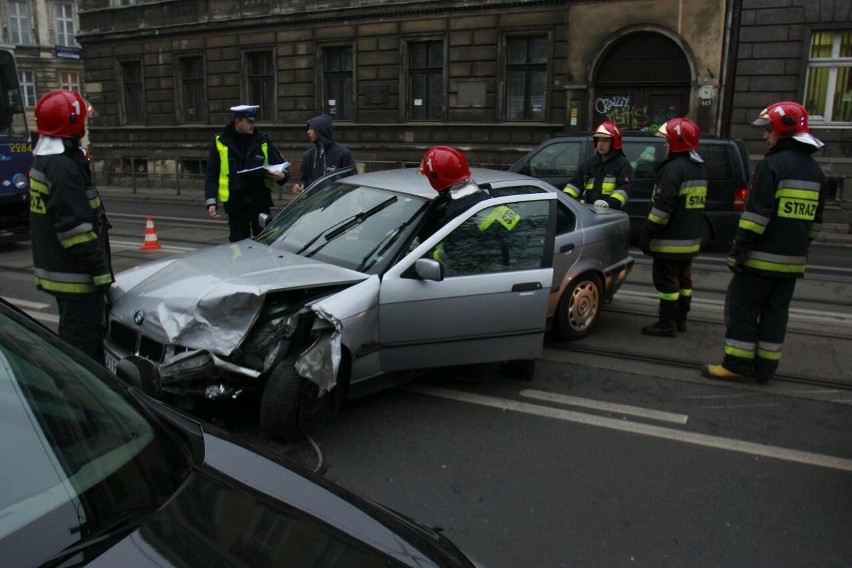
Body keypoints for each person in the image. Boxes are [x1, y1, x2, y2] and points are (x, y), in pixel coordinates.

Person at [704, 101, 827, 383]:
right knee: (776, 314)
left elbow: (755, 218)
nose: (764, 136)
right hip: (793, 263)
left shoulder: (772, 166)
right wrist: (798, 247)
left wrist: (738, 250)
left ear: (783, 131)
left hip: (760, 260)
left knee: (743, 310)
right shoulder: (816, 172)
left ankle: (735, 365)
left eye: (769, 129)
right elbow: (816, 224)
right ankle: (765, 369)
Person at [29, 89, 113, 363]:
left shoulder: (49, 159)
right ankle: (81, 402)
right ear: (71, 124)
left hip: (63, 274)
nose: (85, 126)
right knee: (82, 352)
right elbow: (74, 229)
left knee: (74, 340)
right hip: (77, 279)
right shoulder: (62, 166)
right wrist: (100, 273)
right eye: (83, 120)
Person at [639, 117, 708, 337]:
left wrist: (648, 232)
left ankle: (666, 323)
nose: (665, 145)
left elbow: (662, 209)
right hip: (689, 240)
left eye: (667, 141)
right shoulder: (698, 169)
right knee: (684, 280)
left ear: (678, 142)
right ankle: (681, 319)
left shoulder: (673, 170)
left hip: (669, 241)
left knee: (666, 281)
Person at [204, 104, 289, 242]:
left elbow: (281, 165)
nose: (253, 125)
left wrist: (282, 175)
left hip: (259, 201)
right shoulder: (221, 142)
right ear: (238, 121)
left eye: (254, 121)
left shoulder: (262, 140)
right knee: (238, 244)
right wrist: (211, 201)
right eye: (249, 122)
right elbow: (212, 174)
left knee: (265, 242)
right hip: (235, 204)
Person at [563, 121, 633, 209]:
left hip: (612, 213)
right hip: (590, 212)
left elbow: (625, 189)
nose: (601, 144)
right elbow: (575, 184)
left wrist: (609, 203)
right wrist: (565, 197)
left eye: (605, 140)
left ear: (614, 142)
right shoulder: (590, 164)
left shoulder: (622, 165)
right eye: (599, 140)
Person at [291, 113, 355, 195]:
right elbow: (304, 179)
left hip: (336, 203)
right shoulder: (309, 154)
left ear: (321, 130)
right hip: (313, 204)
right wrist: (299, 187)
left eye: (311, 128)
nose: (308, 132)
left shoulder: (343, 154)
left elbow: (352, 180)